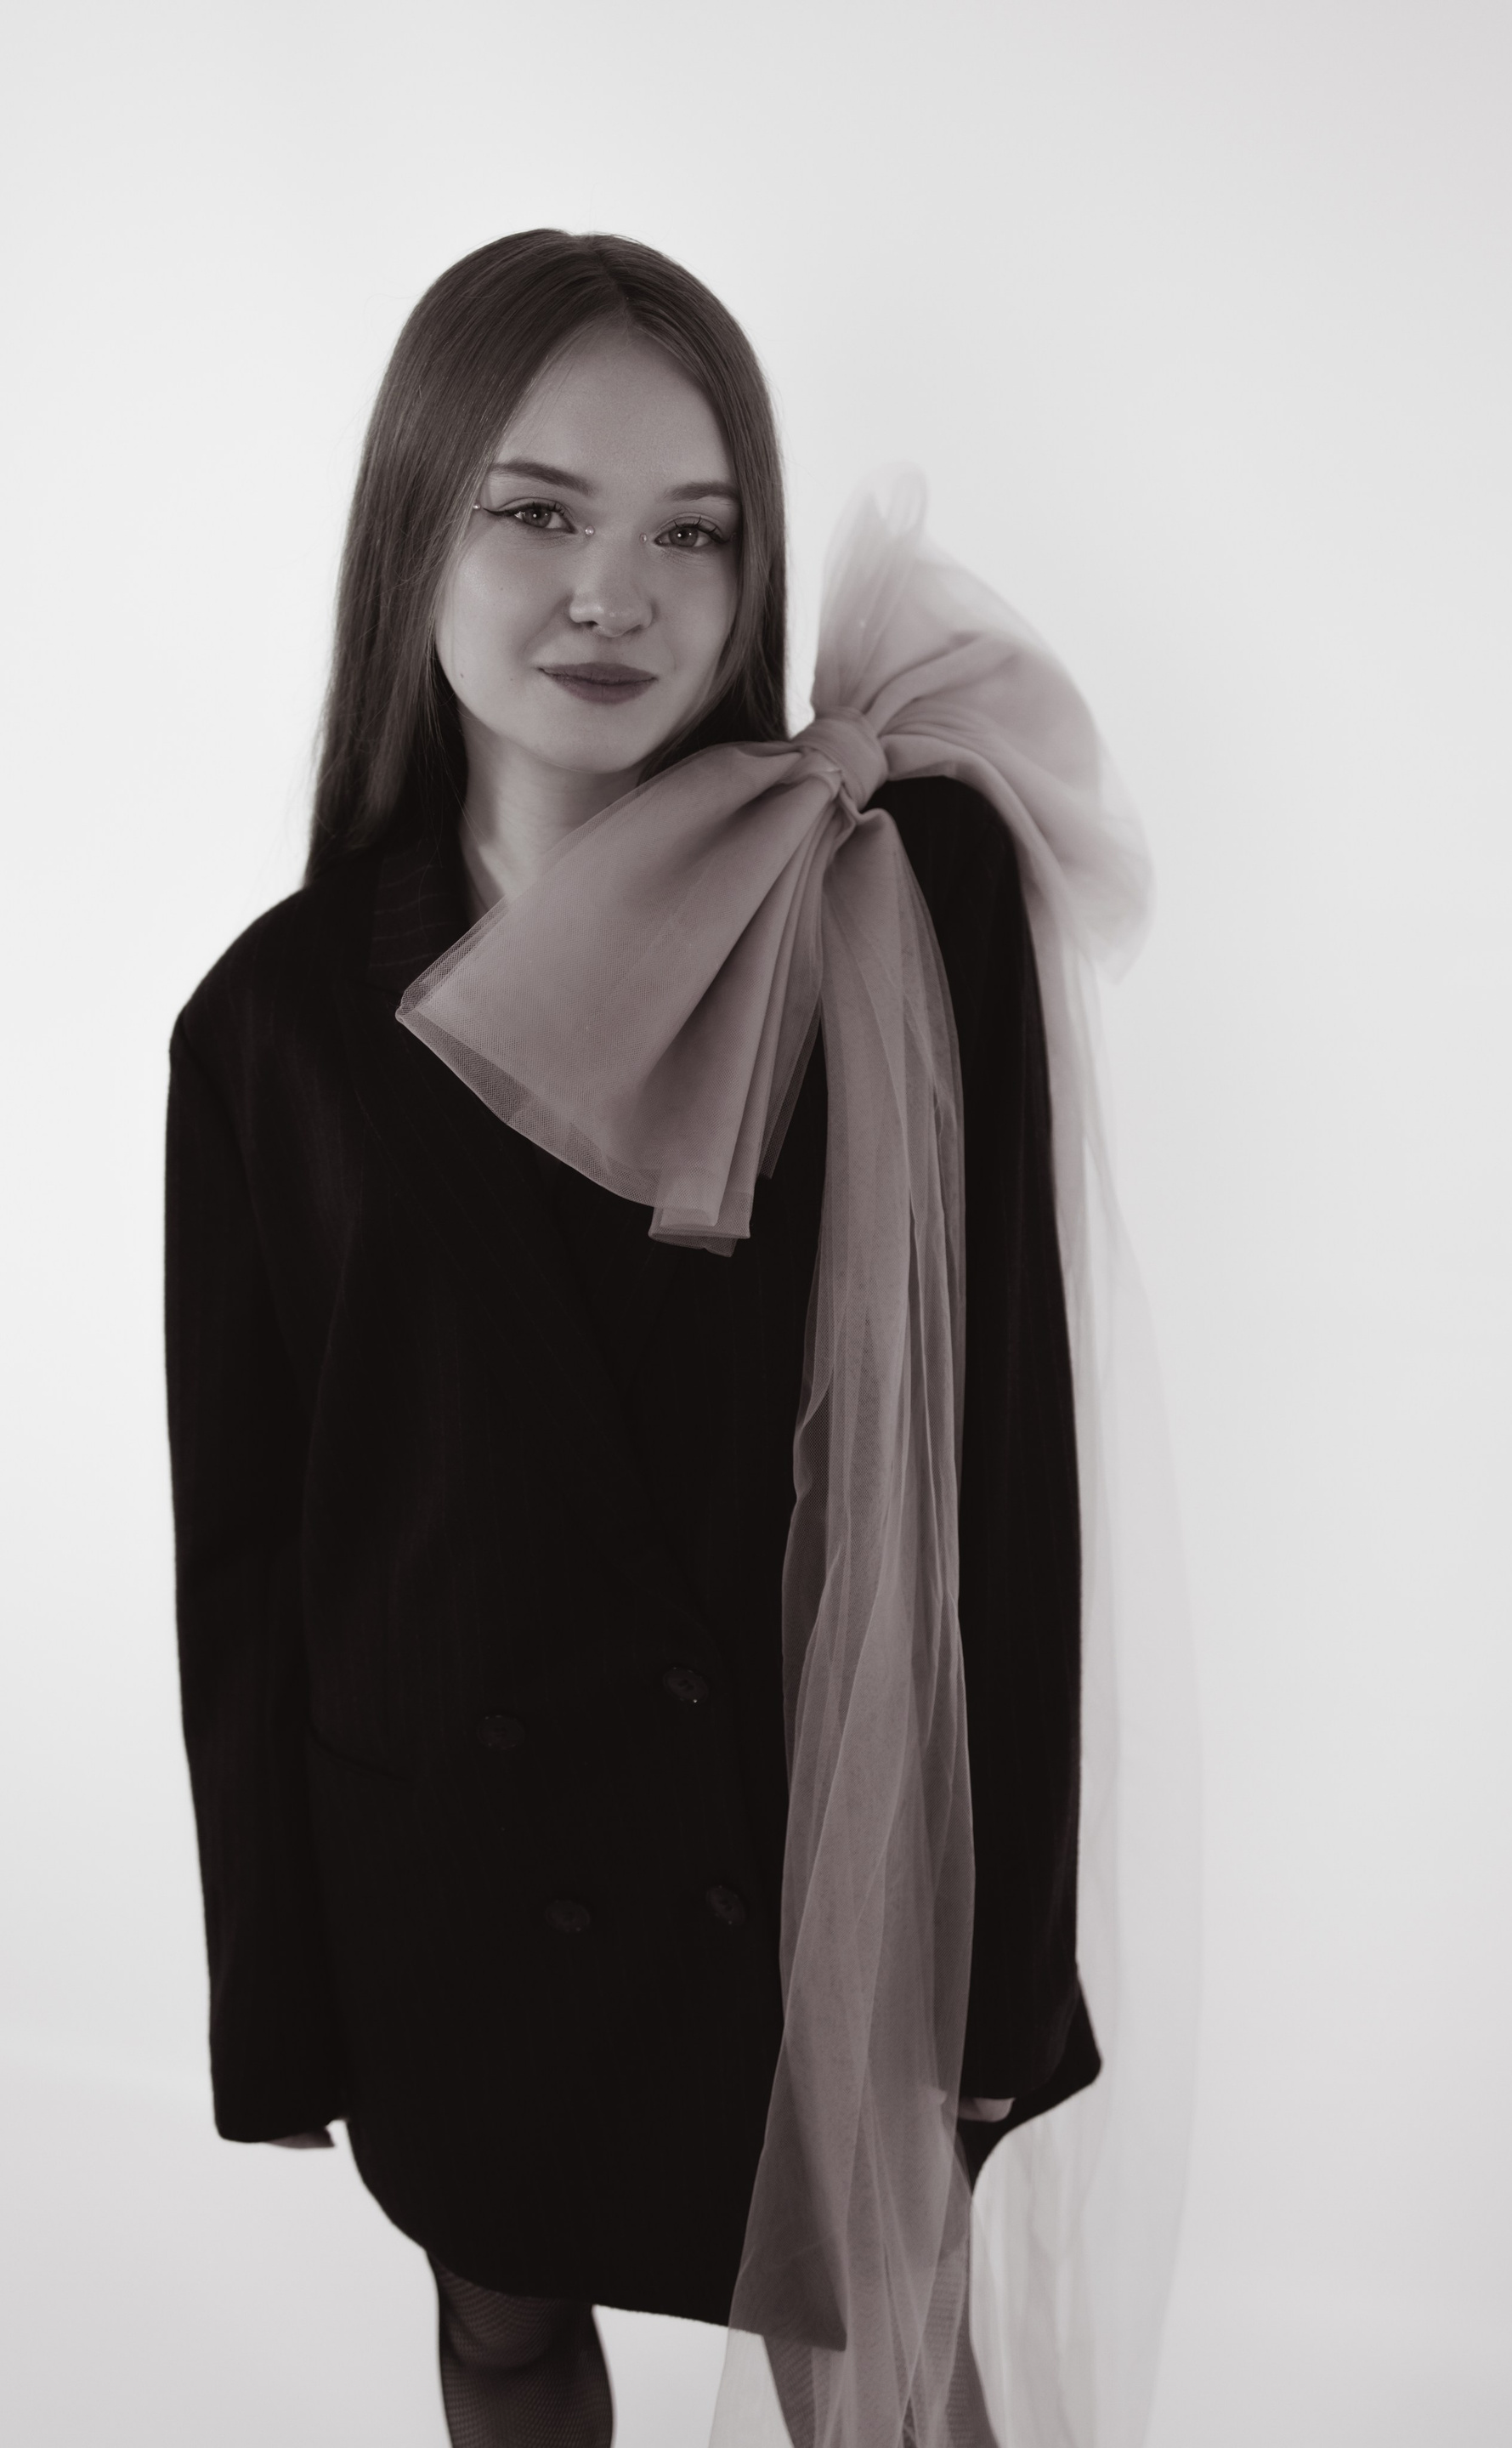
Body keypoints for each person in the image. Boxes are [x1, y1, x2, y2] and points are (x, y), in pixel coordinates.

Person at [165, 230, 1117, 2448]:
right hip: (457, 1879)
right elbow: (256, 1559)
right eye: (539, 511)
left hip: (814, 1867)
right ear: (415, 529)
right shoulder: (273, 1024)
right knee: (502, 2330)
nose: (618, 595)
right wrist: (277, 2006)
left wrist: (1000, 1975)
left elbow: (1002, 1456)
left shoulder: (890, 897)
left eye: (695, 533)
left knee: (893, 2373)